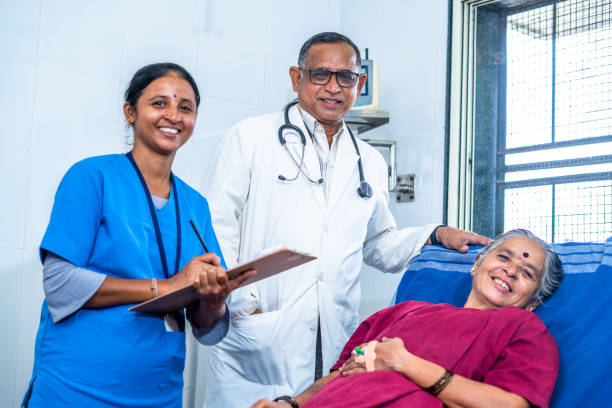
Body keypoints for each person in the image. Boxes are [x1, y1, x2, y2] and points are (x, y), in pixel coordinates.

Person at [201, 32, 490, 407]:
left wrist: (435, 234)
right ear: (296, 78)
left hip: (334, 335)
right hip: (259, 331)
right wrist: (243, 302)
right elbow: (216, 224)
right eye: (320, 74)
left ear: (360, 83)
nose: (334, 87)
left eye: (346, 77)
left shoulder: (369, 160)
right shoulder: (252, 137)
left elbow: (378, 244)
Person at [21, 63, 254, 408]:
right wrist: (168, 286)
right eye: (159, 103)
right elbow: (60, 283)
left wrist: (214, 302)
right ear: (130, 112)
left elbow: (205, 328)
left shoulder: (195, 205)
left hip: (159, 392)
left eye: (185, 107)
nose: (173, 115)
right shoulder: (91, 177)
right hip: (75, 388)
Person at [251, 229, 564, 408]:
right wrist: (290, 404)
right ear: (477, 264)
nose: (511, 270)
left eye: (527, 273)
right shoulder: (404, 311)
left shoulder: (525, 331)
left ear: (534, 301)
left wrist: (405, 364)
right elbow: (344, 374)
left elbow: (511, 406)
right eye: (503, 257)